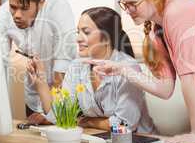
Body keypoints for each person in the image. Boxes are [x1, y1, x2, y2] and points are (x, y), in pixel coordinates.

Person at [87, 0, 195, 143]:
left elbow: (188, 79)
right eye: (124, 4)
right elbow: (164, 89)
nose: (128, 10)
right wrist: (121, 69)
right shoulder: (157, 29)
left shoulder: (178, 14)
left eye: (133, 3)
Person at [27, 7, 156, 133]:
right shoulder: (77, 66)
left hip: (138, 141)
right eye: (78, 32)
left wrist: (87, 121)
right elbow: (61, 116)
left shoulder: (128, 68)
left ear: (106, 38)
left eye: (86, 32)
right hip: (101, 139)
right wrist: (41, 82)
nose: (78, 39)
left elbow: (125, 125)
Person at [0, 0, 76, 124]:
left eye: (24, 8)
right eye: (13, 7)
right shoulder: (2, 15)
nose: (17, 15)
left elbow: (63, 68)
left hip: (65, 94)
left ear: (41, 3)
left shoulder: (58, 8)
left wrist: (51, 115)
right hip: (33, 95)